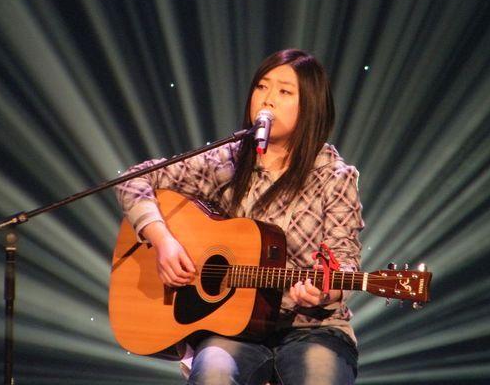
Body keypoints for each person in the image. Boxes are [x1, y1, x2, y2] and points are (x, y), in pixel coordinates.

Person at [116, 49, 364, 385]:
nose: (267, 99)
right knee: (212, 374)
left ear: (310, 106)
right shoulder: (227, 162)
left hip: (314, 329)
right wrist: (162, 241)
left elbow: (345, 262)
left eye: (284, 91)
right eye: (262, 86)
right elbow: (133, 180)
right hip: (232, 329)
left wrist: (325, 292)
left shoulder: (335, 177)